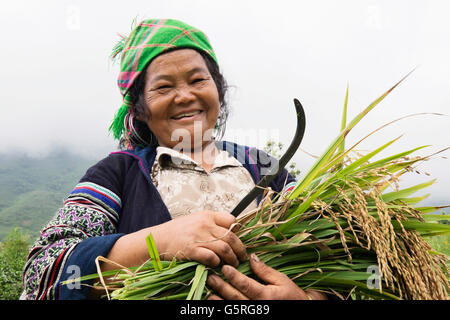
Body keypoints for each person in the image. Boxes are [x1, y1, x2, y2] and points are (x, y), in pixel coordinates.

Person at [22, 18, 327, 300]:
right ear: (140, 108)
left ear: (218, 90)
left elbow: (339, 252)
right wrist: (159, 244)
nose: (184, 96)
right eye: (164, 87)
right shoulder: (117, 173)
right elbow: (42, 272)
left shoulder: (262, 166)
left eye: (197, 80)